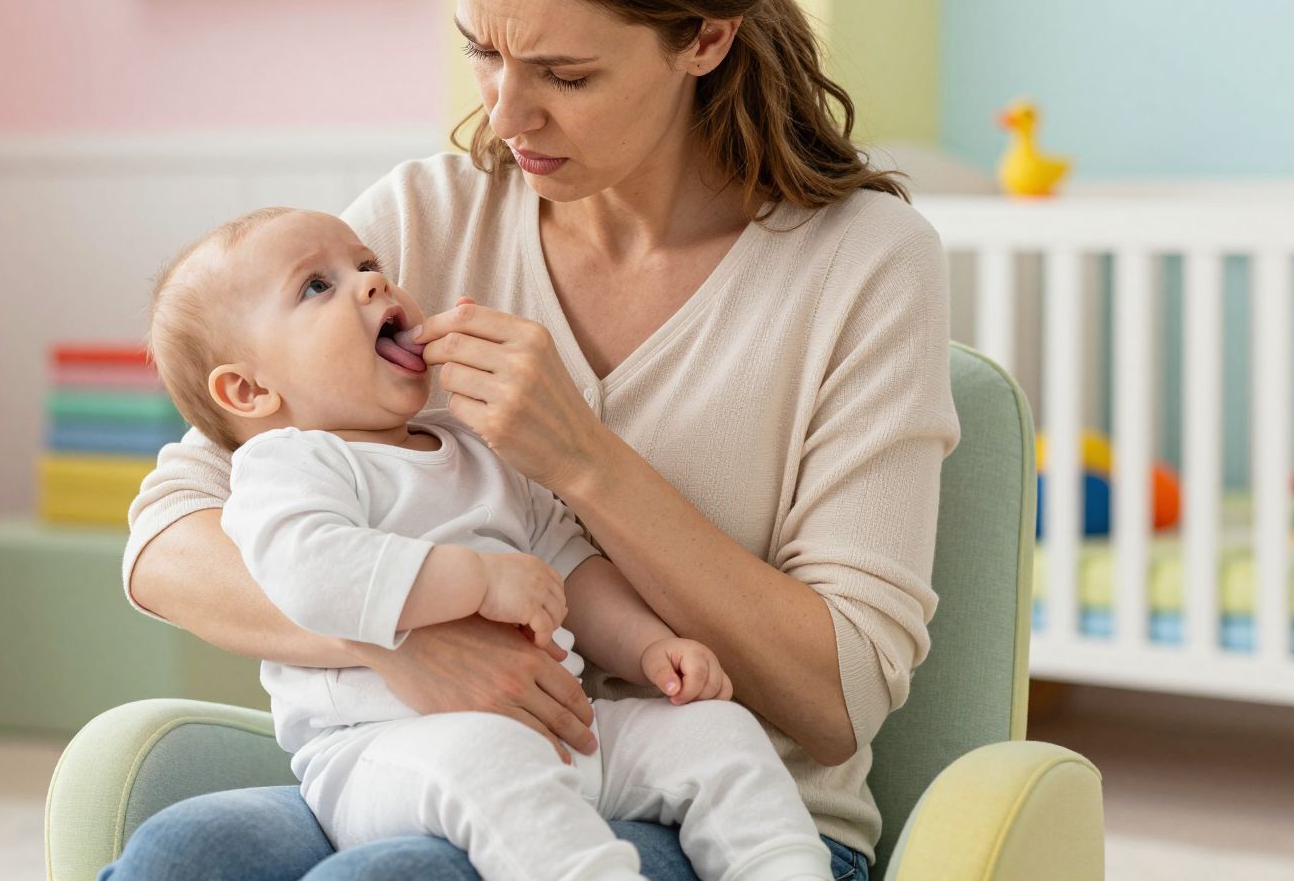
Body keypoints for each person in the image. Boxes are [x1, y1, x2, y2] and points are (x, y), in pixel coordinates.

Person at [104, 0, 960, 881]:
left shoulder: (860, 266)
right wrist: (410, 642)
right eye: (483, 53)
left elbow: (837, 698)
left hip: (736, 819)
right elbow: (172, 533)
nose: (506, 118)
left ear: (702, 37)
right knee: (185, 853)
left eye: (564, 73)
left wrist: (582, 460)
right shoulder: (423, 220)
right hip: (439, 763)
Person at [142, 205, 835, 881]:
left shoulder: (473, 446)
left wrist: (650, 646)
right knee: (479, 761)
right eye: (316, 286)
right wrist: (478, 581)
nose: (373, 282)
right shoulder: (289, 467)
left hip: (567, 733)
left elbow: (570, 567)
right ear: (249, 390)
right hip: (386, 754)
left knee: (716, 733)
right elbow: (312, 574)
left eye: (366, 263)